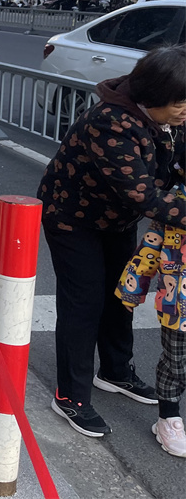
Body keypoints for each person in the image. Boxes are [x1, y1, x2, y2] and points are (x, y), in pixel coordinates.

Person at [39, 45, 186, 438]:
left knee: (121, 295)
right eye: (180, 102)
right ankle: (70, 396)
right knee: (83, 303)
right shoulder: (111, 123)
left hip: (117, 220)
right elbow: (143, 196)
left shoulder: (166, 118)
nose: (185, 110)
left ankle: (115, 372)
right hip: (73, 218)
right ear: (154, 96)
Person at [116, 194, 186, 458]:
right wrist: (131, 291)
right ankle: (169, 419)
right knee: (176, 363)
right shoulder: (172, 207)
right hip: (177, 306)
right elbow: (148, 251)